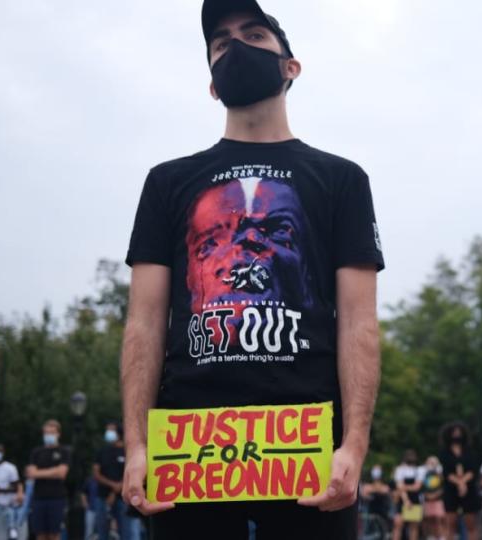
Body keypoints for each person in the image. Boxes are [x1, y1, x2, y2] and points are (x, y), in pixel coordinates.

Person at [119, 0, 385, 537]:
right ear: (213, 84)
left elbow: (358, 321)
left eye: (255, 35)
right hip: (188, 449)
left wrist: (353, 445)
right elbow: (144, 323)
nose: (236, 46)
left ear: (291, 66)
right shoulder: (167, 182)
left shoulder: (341, 179)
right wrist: (137, 445)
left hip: (306, 445)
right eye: (220, 43)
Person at [93, 422, 140, 540]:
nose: (108, 433)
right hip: (103, 497)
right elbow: (96, 473)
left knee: (127, 532)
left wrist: (117, 489)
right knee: (102, 531)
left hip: (123, 498)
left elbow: (131, 471)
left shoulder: (127, 451)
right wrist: (113, 486)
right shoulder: (102, 452)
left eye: (111, 430)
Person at [26, 420, 71, 540]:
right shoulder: (36, 452)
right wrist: (53, 471)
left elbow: (62, 473)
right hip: (39, 498)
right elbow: (30, 473)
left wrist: (39, 473)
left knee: (54, 534)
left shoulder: (64, 451)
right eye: (46, 433)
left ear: (58, 434)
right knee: (40, 534)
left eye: (52, 432)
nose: (49, 435)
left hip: (57, 498)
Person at [439, 423, 481, 540]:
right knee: (450, 523)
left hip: (469, 488)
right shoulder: (444, 452)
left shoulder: (469, 451)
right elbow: (446, 472)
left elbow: (473, 469)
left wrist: (463, 482)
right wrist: (459, 483)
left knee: (471, 523)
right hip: (450, 489)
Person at [393, 451, 424, 540]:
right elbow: (400, 487)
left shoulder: (419, 470)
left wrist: (404, 487)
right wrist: (406, 500)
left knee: (413, 526)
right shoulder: (400, 470)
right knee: (398, 524)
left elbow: (417, 487)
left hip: (414, 500)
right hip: (403, 499)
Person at [360, 464, 392, 533]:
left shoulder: (385, 484)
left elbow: (386, 490)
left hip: (382, 514)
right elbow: (364, 493)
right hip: (369, 514)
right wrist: (377, 489)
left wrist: (374, 489)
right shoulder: (367, 484)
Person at [422, 456, 447, 540]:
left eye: (433, 463)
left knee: (439, 519)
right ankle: (432, 537)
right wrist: (427, 495)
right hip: (427, 499)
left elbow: (444, 486)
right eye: (429, 462)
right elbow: (421, 486)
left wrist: (436, 494)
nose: (431, 464)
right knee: (429, 519)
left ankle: (442, 537)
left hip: (438, 500)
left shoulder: (440, 474)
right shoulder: (423, 473)